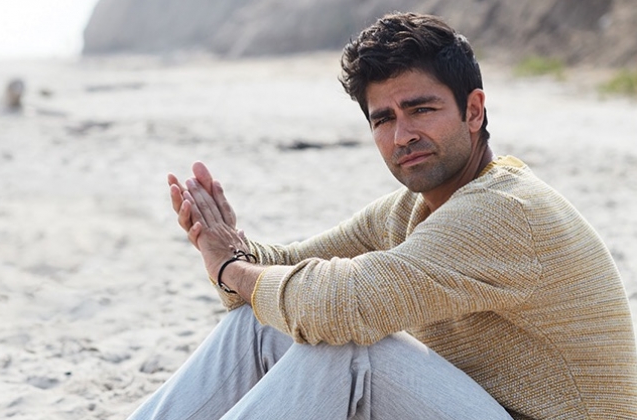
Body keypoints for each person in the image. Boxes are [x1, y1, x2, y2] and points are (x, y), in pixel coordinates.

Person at [127, 12, 637, 420]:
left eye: (421, 109)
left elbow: (342, 303)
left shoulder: (504, 212)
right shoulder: (410, 210)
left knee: (350, 350)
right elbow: (286, 267)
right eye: (383, 119)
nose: (402, 136)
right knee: (261, 324)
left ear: (474, 111)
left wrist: (232, 269)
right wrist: (227, 247)